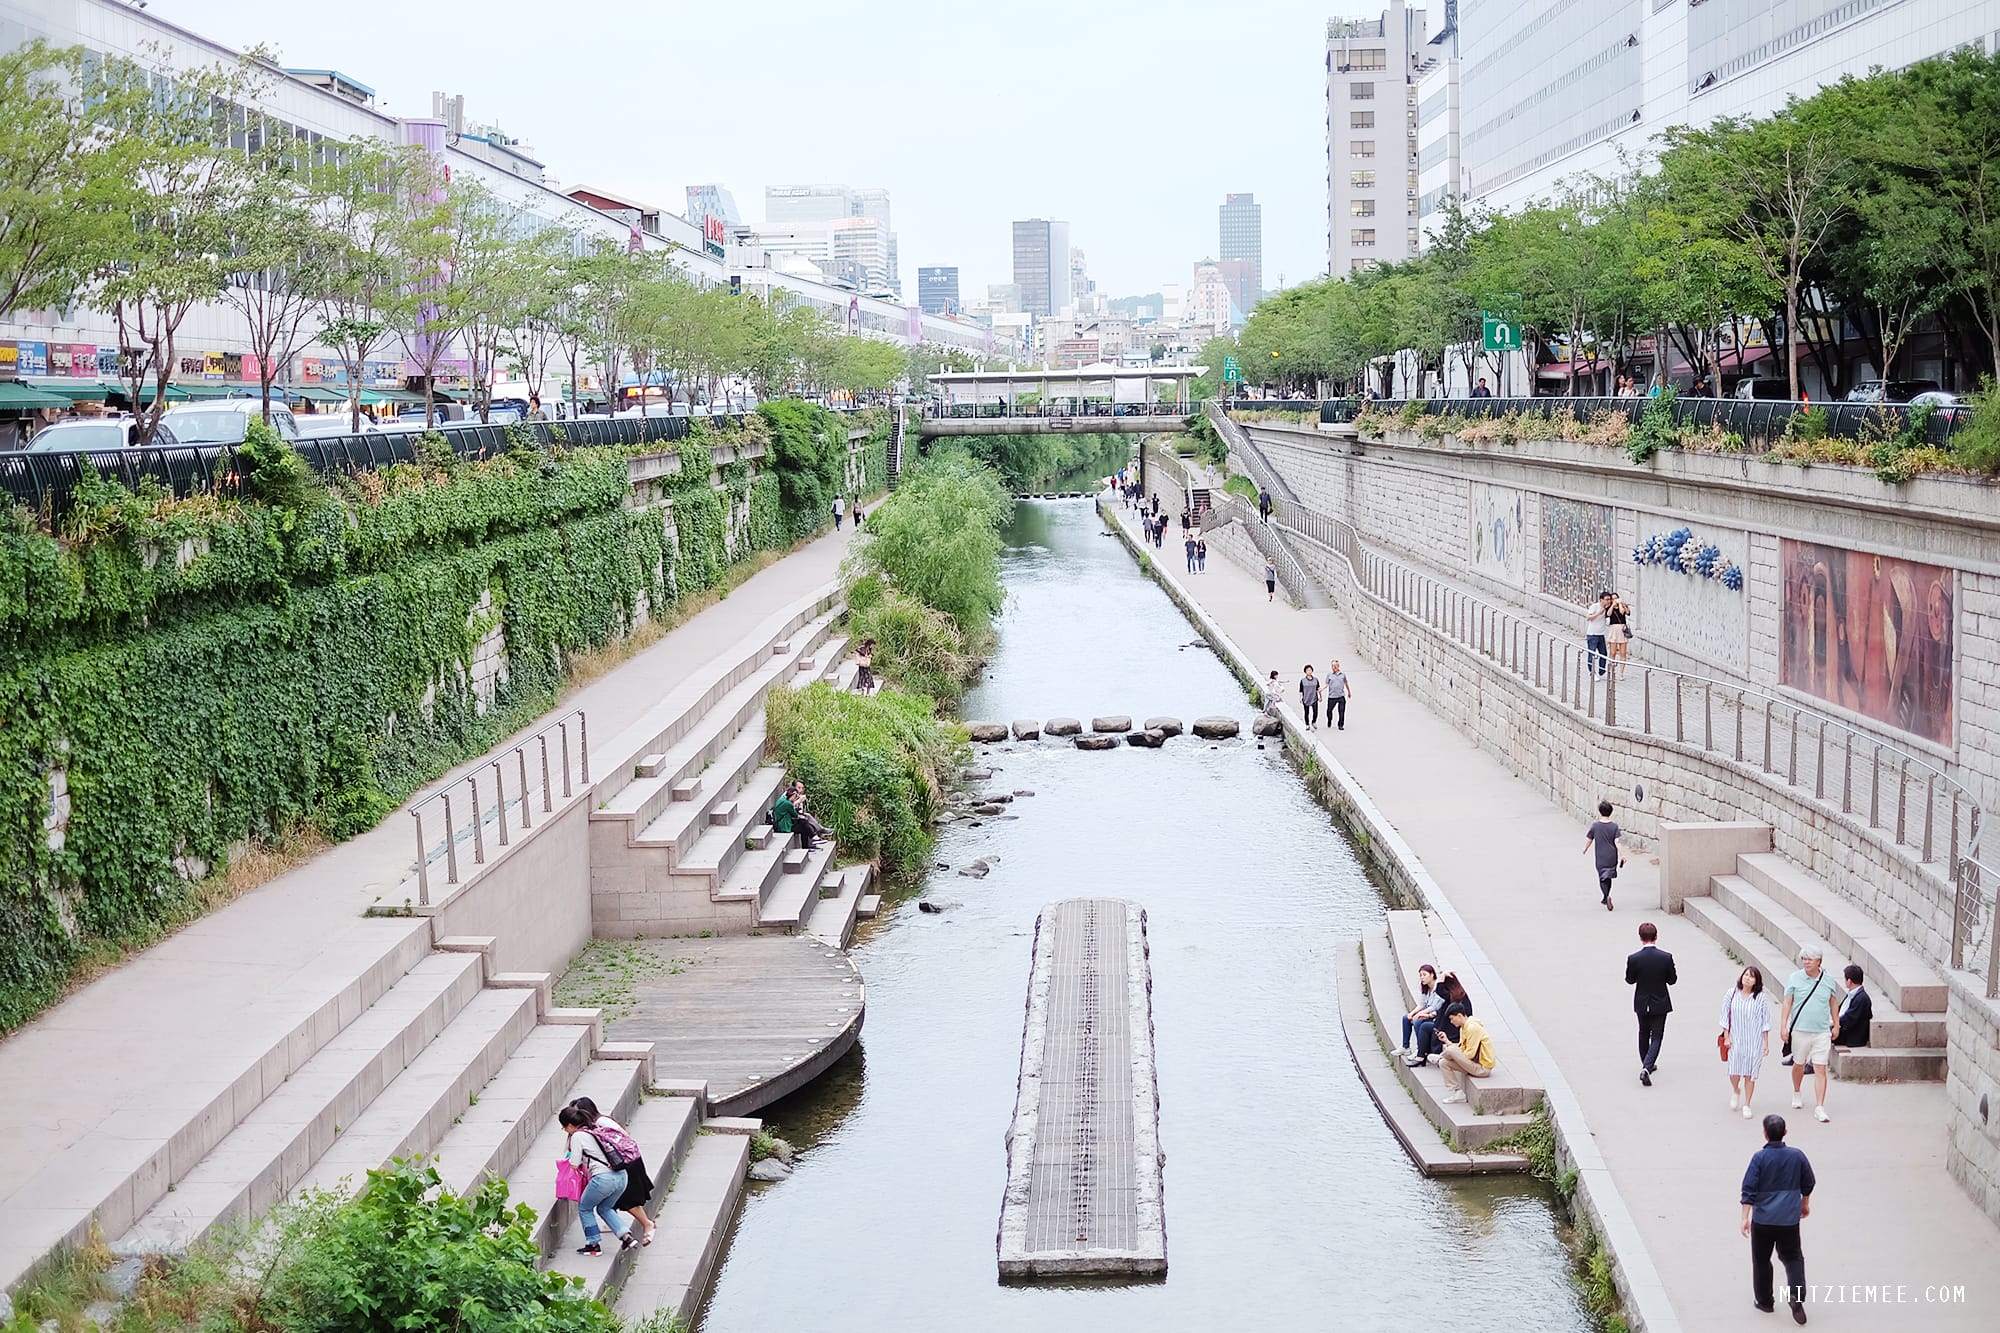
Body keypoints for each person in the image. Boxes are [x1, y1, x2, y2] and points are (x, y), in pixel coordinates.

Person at [1741, 1114, 1815, 1322]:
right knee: (1793, 1258)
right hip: (1789, 1220)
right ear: (1785, 1132)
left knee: (1762, 1259)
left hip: (1763, 1220)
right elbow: (1808, 1182)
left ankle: (1765, 1301)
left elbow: (1748, 1189)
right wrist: (1804, 1204)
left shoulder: (1759, 1158)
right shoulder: (1797, 1156)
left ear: (1765, 1134)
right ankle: (1796, 1296)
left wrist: (1745, 1217)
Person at [572, 1096, 656, 1246]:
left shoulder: (600, 1122)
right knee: (614, 1200)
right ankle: (620, 1227)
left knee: (628, 1199)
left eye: (577, 1112)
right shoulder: (592, 1125)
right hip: (619, 1163)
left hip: (626, 1163)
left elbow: (623, 1139)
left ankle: (647, 1224)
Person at [559, 1105, 634, 1255]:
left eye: (564, 1127)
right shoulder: (595, 1130)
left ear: (570, 1125)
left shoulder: (577, 1136)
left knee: (585, 1208)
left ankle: (593, 1244)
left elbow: (574, 1163)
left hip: (603, 1178)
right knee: (604, 1208)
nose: (565, 1131)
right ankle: (626, 1236)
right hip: (621, 1176)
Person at [1780, 947, 1841, 1123]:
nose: (1806, 962)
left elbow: (1833, 1003)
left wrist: (1836, 1025)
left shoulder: (1828, 980)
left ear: (1819, 962)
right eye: (1804, 959)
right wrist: (1784, 1026)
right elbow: (1787, 1003)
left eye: (1810, 959)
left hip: (1821, 1031)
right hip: (1800, 1029)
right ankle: (1797, 1091)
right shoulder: (1795, 978)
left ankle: (1820, 1106)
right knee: (1799, 1063)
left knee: (1820, 1067)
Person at [1626, 921, 1677, 1085]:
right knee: (1656, 1035)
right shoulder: (1666, 957)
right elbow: (1672, 980)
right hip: (1660, 1001)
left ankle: (1646, 1064)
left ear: (1640, 938)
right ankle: (1647, 1067)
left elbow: (1630, 980)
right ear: (1656, 937)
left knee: (1643, 1032)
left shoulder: (1634, 958)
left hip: (1641, 1001)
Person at [1722, 966, 1772, 1118]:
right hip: (1736, 1039)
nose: (1747, 978)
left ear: (1756, 981)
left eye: (1751, 976)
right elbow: (1725, 1016)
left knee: (1750, 1074)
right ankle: (1736, 1089)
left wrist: (1766, 1043)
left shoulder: (1760, 998)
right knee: (1734, 1070)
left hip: (1754, 1041)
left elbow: (1765, 1021)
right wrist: (1726, 1037)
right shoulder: (1731, 994)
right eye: (1746, 975)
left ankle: (1747, 1103)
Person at [1436, 1005, 1497, 1104]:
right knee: (1443, 1063)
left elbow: (1470, 1054)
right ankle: (1458, 1093)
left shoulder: (1472, 1028)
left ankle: (1439, 1056)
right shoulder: (1463, 1028)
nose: (1451, 1022)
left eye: (1452, 1019)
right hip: (1473, 1064)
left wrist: (1453, 1053)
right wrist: (1447, 1041)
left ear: (1459, 1015)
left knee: (1450, 1051)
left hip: (1482, 1068)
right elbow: (1461, 1049)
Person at [1583, 799, 1626, 909]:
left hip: (1601, 856)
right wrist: (1622, 855)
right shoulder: (1614, 826)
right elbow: (1617, 842)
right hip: (1612, 856)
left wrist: (1585, 849)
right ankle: (1605, 897)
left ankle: (1606, 896)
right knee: (1608, 877)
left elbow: (1590, 839)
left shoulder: (1595, 826)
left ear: (1600, 811)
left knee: (1602, 877)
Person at [1401, 963, 1444, 1062]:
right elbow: (1422, 1004)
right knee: (1406, 1018)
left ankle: (1420, 1048)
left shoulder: (1438, 988)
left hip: (1436, 1016)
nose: (1422, 978)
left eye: (1424, 975)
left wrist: (1420, 1014)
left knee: (1418, 1021)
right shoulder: (1425, 988)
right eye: (1420, 975)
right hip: (1428, 1013)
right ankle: (1405, 1047)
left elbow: (1434, 1007)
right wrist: (1412, 1013)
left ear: (1432, 974)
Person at [773, 780, 832, 849]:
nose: (800, 790)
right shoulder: (787, 802)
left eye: (802, 788)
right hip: (785, 825)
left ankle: (812, 840)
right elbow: (794, 813)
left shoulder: (785, 800)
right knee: (804, 823)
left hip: (787, 821)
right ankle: (814, 838)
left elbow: (798, 811)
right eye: (799, 788)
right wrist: (798, 802)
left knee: (805, 822)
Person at [1835, 964, 1872, 1049]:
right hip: (1844, 1028)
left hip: (1852, 1035)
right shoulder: (1853, 993)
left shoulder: (1861, 998)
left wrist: (1834, 1023)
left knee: (1821, 1034)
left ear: (1849, 981)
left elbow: (1849, 1018)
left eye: (1845, 979)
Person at [1584, 590, 1614, 677]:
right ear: (1601, 600)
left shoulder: (1607, 609)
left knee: (1603, 654)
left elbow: (1609, 615)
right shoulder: (1595, 606)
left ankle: (1601, 670)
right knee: (1592, 654)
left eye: (1609, 599)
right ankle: (1592, 672)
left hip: (1601, 634)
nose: (1608, 601)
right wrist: (1598, 613)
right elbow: (1588, 618)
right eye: (1607, 599)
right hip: (1592, 634)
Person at [1606, 596, 1632, 677]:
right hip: (1614, 629)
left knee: (1623, 653)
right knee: (1612, 652)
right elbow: (1608, 614)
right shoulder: (1610, 607)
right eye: (1613, 598)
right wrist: (1613, 605)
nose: (1615, 600)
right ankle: (1611, 670)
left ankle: (1621, 672)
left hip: (1622, 629)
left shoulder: (1622, 606)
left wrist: (1623, 605)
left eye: (1616, 598)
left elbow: (1627, 613)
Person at [1325, 660, 1352, 730]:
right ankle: (1329, 720)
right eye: (1332, 666)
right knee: (1329, 711)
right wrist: (1321, 689)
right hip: (1332, 696)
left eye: (1335, 666)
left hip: (1341, 696)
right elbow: (1326, 684)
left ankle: (1340, 724)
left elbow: (1346, 683)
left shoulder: (1343, 675)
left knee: (1341, 711)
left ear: (1338, 666)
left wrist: (1349, 692)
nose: (1333, 667)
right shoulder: (1329, 675)